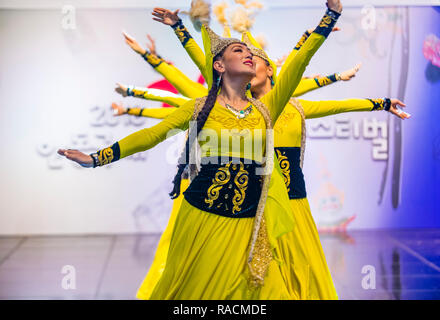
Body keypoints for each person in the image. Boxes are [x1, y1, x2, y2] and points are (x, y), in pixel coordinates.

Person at [58, 0, 342, 299]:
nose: (248, 55)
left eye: (251, 53)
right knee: (195, 295)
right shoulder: (199, 108)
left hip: (251, 226)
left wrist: (330, 15)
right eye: (238, 51)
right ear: (218, 65)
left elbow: (300, 61)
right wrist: (96, 158)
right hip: (201, 219)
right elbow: (150, 136)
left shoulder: (268, 107)